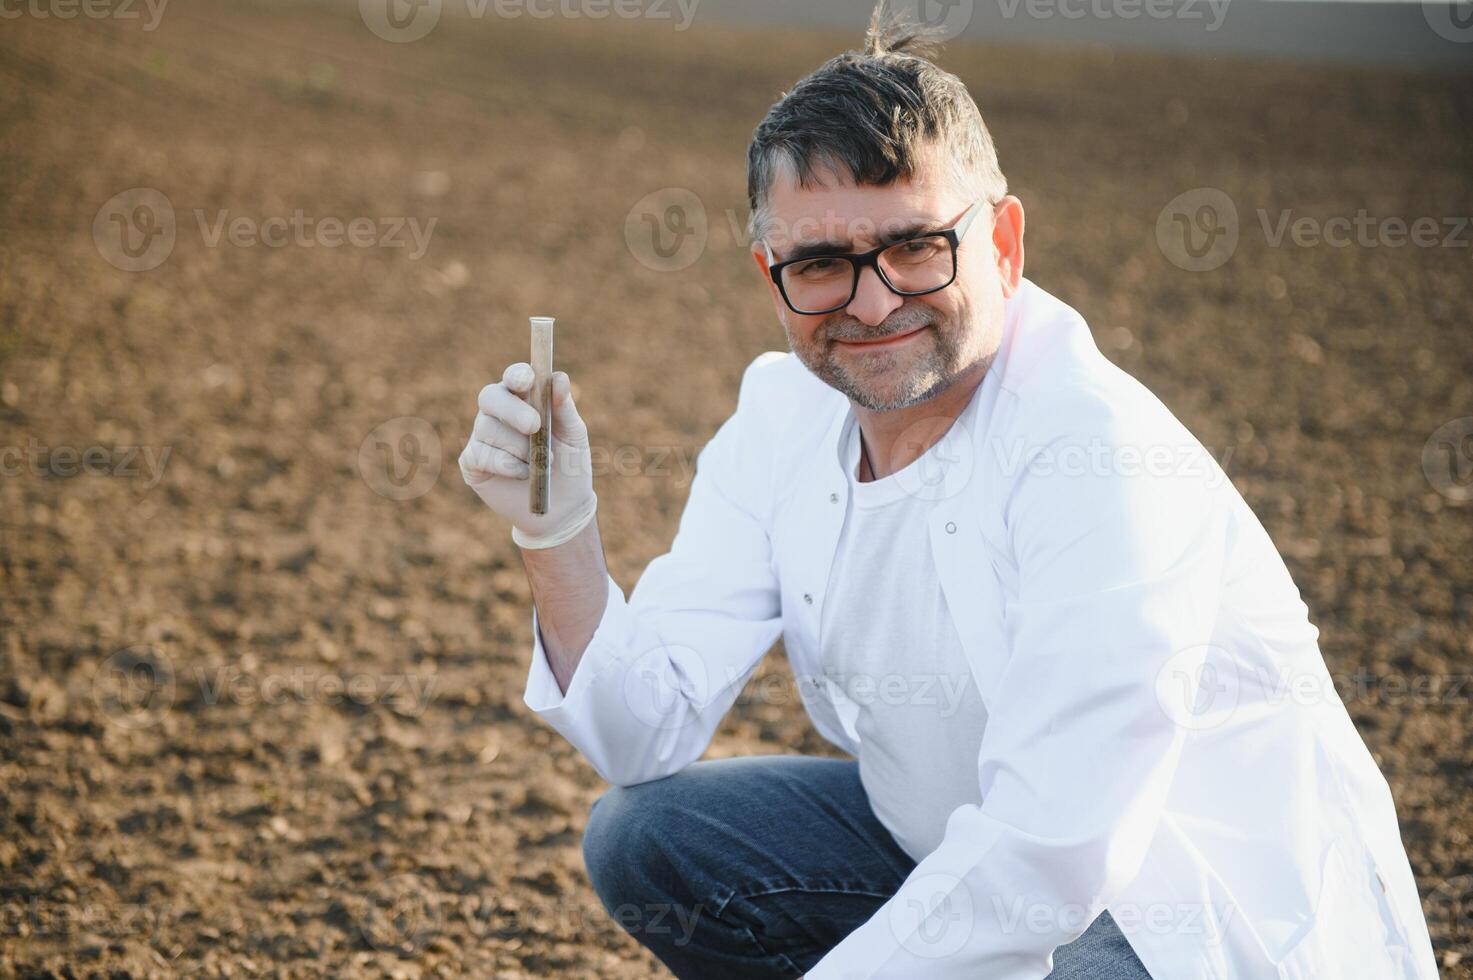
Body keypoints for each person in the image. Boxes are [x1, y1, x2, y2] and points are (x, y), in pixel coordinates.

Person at [458, 4, 1439, 978]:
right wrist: (558, 529)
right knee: (652, 836)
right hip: (947, 847)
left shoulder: (1096, 452)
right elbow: (643, 728)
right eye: (821, 263)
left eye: (918, 246)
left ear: (1004, 242)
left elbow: (1048, 857)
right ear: (772, 274)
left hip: (1178, 913)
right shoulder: (782, 419)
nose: (874, 301)